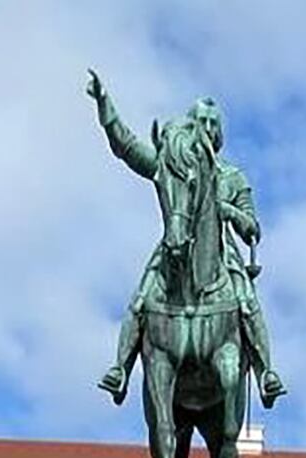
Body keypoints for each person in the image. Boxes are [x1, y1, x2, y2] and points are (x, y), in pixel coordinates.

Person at [84, 71, 286, 409]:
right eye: (200, 122)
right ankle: (120, 368)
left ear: (218, 132)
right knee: (141, 298)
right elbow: (129, 149)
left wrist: (228, 211)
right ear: (190, 128)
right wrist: (106, 107)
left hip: (222, 257)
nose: (206, 128)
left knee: (248, 303)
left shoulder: (233, 177)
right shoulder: (173, 163)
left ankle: (267, 372)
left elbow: (252, 228)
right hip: (175, 247)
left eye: (212, 123)